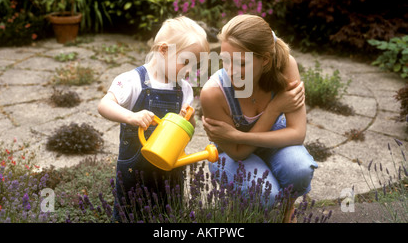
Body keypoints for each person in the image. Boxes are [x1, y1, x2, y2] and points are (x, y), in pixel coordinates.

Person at [200, 14, 318, 223]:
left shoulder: (285, 64)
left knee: (299, 168)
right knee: (265, 193)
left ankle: (287, 212)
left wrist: (240, 132)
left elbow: (297, 134)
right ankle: (239, 210)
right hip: (231, 153)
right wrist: (274, 110)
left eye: (242, 64)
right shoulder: (213, 92)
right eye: (225, 60)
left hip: (261, 137)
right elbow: (238, 152)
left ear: (265, 59)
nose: (231, 71)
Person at [98, 16, 209, 222]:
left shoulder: (183, 89)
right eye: (185, 62)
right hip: (134, 170)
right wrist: (131, 116)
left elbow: (186, 132)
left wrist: (188, 120)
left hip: (169, 171)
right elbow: (104, 105)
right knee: (129, 213)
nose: (189, 71)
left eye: (194, 65)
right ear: (164, 50)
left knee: (167, 214)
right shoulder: (132, 80)